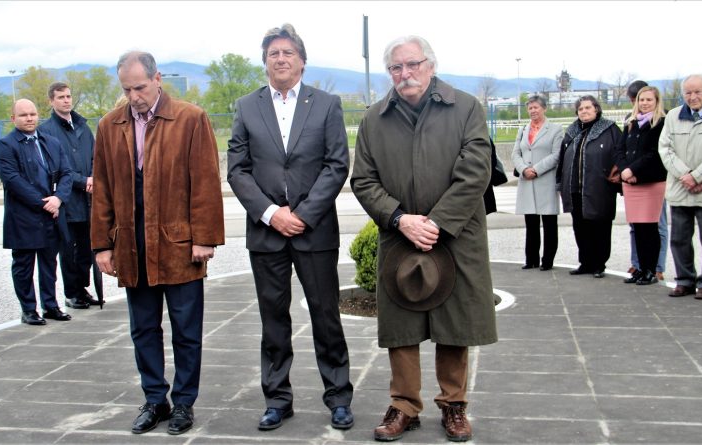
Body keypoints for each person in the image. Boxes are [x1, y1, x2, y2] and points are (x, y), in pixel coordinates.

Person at [351, 35, 497, 443]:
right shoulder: (374, 119)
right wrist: (401, 219)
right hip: (399, 235)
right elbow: (363, 180)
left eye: (413, 64)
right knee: (402, 325)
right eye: (396, 67)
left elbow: (476, 172)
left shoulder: (465, 108)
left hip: (456, 235)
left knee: (455, 323)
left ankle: (454, 404)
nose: (405, 73)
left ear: (430, 66)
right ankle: (404, 405)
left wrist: (436, 223)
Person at [227, 23, 354, 431]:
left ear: (302, 61)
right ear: (265, 62)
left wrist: (302, 215)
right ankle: (277, 399)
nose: (280, 59)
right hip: (267, 233)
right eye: (273, 54)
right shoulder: (246, 107)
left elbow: (337, 164)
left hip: (314, 231)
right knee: (273, 321)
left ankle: (338, 396)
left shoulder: (327, 104)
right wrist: (271, 213)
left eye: (287, 53)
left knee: (326, 316)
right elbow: (237, 169)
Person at [91, 51, 224, 435]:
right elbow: (102, 188)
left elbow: (205, 182)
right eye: (127, 89)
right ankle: (154, 400)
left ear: (157, 79)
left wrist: (204, 238)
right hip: (132, 246)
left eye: (140, 87)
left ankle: (183, 403)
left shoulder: (190, 118)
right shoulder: (109, 125)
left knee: (186, 330)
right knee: (143, 329)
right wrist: (102, 245)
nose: (134, 97)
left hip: (179, 245)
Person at [0, 99, 74, 326]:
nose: (29, 118)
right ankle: (28, 309)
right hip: (24, 216)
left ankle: (50, 305)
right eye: (23, 115)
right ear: (13, 119)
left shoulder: (51, 142)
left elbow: (66, 173)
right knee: (24, 266)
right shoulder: (5, 145)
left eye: (32, 114)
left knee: (49, 263)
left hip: (52, 213)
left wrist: (58, 199)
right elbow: (13, 180)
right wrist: (43, 204)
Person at [38, 82, 100, 309]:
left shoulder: (83, 126)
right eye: (61, 97)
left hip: (89, 200)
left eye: (68, 96)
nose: (66, 100)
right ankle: (72, 293)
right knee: (69, 250)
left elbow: (95, 156)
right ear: (51, 101)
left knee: (87, 249)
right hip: (67, 199)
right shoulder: (46, 131)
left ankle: (82, 288)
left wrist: (93, 177)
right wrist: (82, 181)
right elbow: (54, 167)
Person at [557, 95, 622, 278]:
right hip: (575, 189)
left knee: (600, 226)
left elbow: (619, 154)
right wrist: (560, 183)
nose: (584, 111)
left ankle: (599, 264)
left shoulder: (610, 129)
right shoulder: (572, 131)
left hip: (599, 188)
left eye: (587, 108)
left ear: (596, 109)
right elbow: (562, 158)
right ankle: (585, 262)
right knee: (580, 227)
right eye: (580, 109)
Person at [658, 74, 702, 299]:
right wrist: (685, 175)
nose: (692, 96)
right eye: (688, 92)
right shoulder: (673, 116)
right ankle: (685, 280)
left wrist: (697, 177)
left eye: (697, 92)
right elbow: (665, 149)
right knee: (679, 239)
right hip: (680, 189)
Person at [614, 86, 667, 285]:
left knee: (649, 228)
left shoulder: (661, 123)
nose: (644, 103)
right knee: (637, 227)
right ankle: (640, 268)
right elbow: (620, 149)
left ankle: (651, 270)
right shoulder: (631, 122)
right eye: (641, 100)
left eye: (649, 100)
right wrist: (624, 170)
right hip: (630, 182)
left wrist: (633, 170)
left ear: (656, 101)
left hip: (651, 182)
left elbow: (655, 153)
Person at [511, 95, 563, 271]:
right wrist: (524, 169)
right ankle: (531, 259)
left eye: (536, 107)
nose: (533, 111)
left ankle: (547, 260)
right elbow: (515, 153)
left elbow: (557, 155)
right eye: (530, 108)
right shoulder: (523, 129)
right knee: (531, 223)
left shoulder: (555, 129)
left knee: (549, 223)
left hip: (545, 180)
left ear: (544, 108)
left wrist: (536, 169)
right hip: (527, 181)